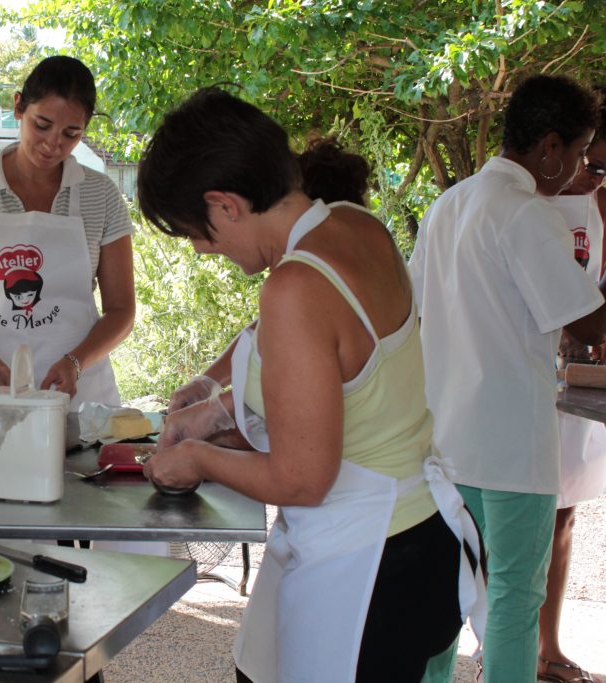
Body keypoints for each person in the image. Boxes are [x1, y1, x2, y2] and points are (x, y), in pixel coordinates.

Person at [137, 88, 485, 683]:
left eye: (195, 232)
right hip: (418, 535)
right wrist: (218, 408)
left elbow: (301, 478)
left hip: (369, 561)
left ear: (224, 205)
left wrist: (196, 458)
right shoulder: (356, 225)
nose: (200, 249)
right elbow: (335, 390)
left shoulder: (295, 286)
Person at [408, 74, 605, 683]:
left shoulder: (449, 205)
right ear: (548, 146)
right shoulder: (525, 212)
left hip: (444, 441)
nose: (576, 170)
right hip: (512, 447)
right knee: (517, 602)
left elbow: (413, 308)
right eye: (576, 155)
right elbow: (591, 324)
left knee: (443, 599)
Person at [0, 55, 135, 411]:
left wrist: (76, 362)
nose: (53, 144)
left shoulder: (101, 195)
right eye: (42, 125)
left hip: (79, 397)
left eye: (71, 134)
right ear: (18, 106)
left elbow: (122, 310)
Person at [169, 136, 373, 413]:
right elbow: (265, 329)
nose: (198, 247)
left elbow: (303, 437)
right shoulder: (365, 241)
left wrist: (209, 428)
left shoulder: (308, 279)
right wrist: (209, 381)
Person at [539, 119, 606, 683]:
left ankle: (548, 645)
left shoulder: (599, 206)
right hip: (522, 388)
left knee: (564, 517)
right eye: (588, 160)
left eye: (601, 167)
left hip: (576, 382)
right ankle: (503, 641)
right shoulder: (523, 208)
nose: (591, 175)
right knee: (522, 520)